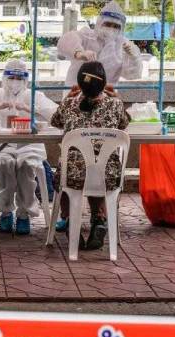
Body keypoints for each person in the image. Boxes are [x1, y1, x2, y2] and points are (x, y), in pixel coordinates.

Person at [0, 59, 58, 235]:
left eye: (19, 78)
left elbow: (56, 114)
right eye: (11, 77)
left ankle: (24, 214)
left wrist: (32, 109)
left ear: (26, 80)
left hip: (29, 145)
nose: (15, 81)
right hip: (0, 145)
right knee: (4, 164)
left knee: (26, 165)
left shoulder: (34, 96)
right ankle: (6, 211)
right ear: (4, 77)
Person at [50, 61, 129, 250]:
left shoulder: (69, 104)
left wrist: (69, 97)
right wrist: (116, 96)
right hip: (107, 176)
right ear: (103, 84)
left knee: (68, 174)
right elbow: (124, 123)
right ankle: (99, 220)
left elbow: (55, 121)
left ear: (79, 84)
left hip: (72, 176)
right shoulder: (115, 105)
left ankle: (69, 221)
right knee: (96, 169)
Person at [58, 0, 142, 87]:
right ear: (99, 23)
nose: (111, 29)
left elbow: (132, 74)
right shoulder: (87, 36)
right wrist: (79, 53)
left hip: (106, 96)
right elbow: (66, 40)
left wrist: (132, 56)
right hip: (77, 92)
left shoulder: (122, 45)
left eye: (116, 26)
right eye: (108, 24)